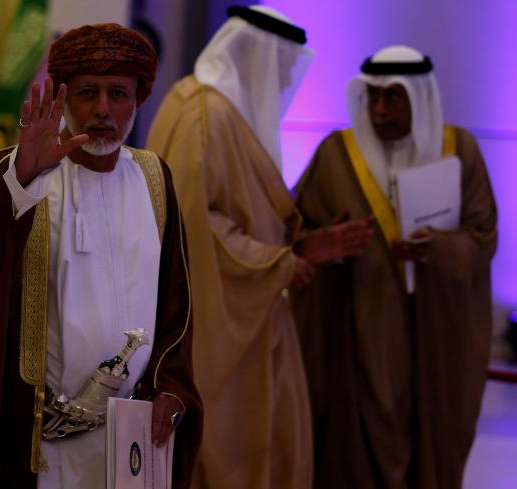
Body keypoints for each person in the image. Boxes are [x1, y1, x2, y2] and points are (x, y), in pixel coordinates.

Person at [0, 23, 202, 489]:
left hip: (129, 440)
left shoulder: (154, 178)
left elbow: (176, 305)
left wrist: (172, 387)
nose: (102, 110)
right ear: (63, 98)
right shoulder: (22, 168)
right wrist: (21, 183)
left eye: (118, 93)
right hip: (39, 440)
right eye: (87, 93)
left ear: (139, 99)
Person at [147, 5, 373, 488]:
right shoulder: (206, 116)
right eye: (285, 68)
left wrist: (302, 247)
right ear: (259, 58)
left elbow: (236, 214)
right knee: (229, 449)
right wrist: (279, 263)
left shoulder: (213, 108)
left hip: (252, 311)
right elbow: (196, 228)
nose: (287, 81)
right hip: (216, 327)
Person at [292, 45, 497, 489]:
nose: (381, 110)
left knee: (433, 442)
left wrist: (438, 249)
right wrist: (324, 245)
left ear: (420, 98)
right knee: (355, 451)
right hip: (357, 336)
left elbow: (483, 237)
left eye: (395, 97)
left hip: (436, 335)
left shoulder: (458, 149)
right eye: (374, 97)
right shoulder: (336, 154)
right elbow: (296, 233)